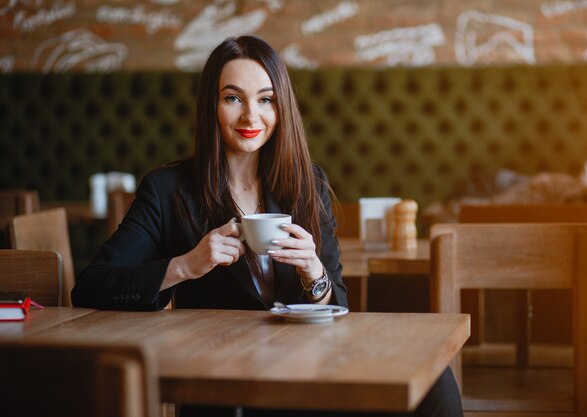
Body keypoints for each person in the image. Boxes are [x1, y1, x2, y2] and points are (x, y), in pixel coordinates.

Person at [72, 35, 463, 417]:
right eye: (232, 98)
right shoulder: (168, 190)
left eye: (265, 100)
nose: (250, 116)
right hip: (224, 383)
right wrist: (185, 266)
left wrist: (313, 271)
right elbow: (91, 286)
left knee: (436, 381)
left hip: (309, 370)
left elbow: (338, 305)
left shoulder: (308, 184)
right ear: (211, 106)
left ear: (281, 108)